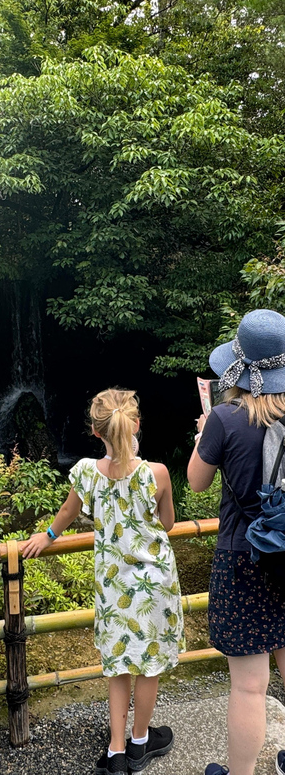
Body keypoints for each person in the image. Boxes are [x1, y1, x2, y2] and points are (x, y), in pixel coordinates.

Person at [23, 387, 185, 775]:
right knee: (148, 666)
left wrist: (46, 536)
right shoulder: (157, 473)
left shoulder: (84, 471)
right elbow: (167, 523)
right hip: (155, 585)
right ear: (137, 425)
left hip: (113, 587)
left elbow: (67, 510)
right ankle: (141, 742)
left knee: (117, 665)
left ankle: (115, 752)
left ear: (96, 433)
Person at [187, 308, 285, 775]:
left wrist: (203, 436)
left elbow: (196, 483)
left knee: (249, 687)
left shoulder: (225, 419)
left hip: (243, 557)